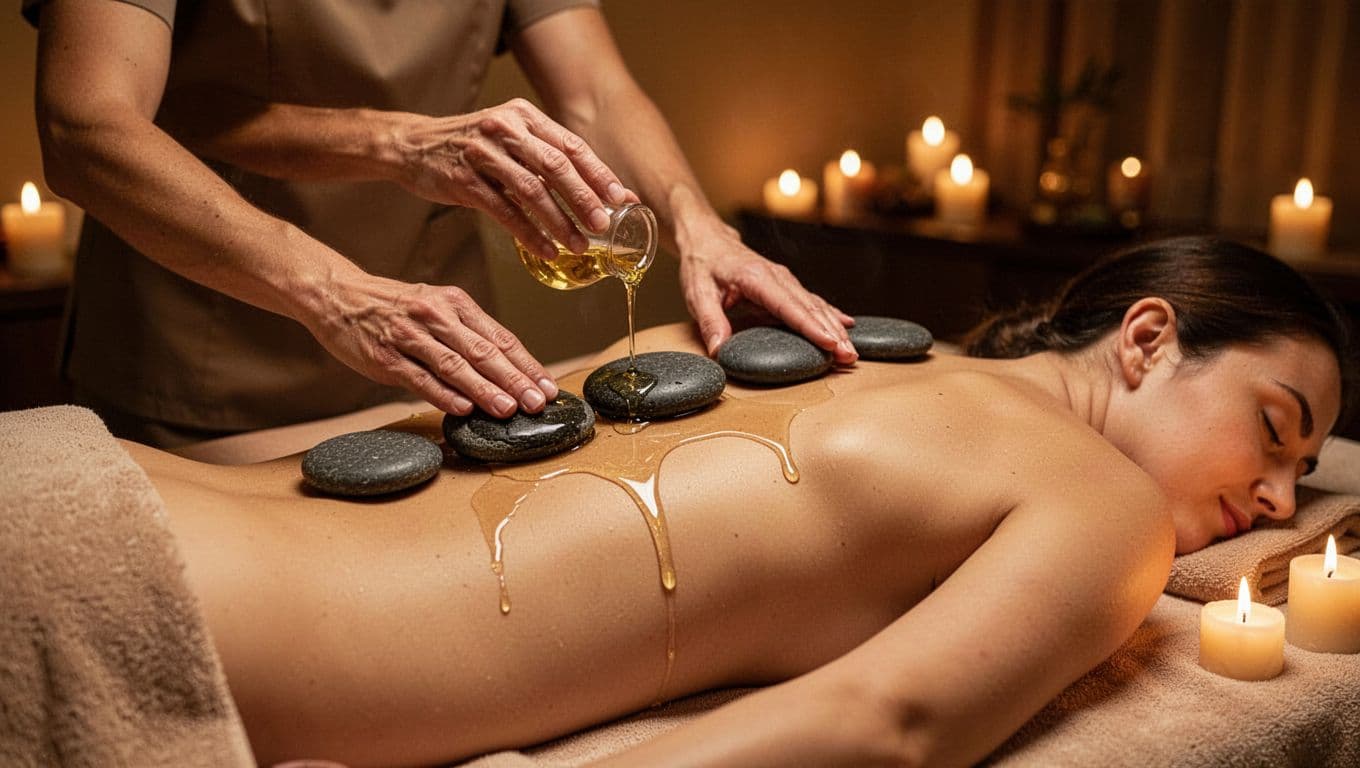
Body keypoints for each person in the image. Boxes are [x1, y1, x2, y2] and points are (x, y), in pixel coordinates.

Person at [114, 237, 1351, 766]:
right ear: (1147, 337)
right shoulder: (1104, 509)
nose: (1275, 494)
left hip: (110, 482)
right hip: (164, 618)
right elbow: (885, 729)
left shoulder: (785, 335)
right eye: (1274, 428)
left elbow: (384, 442)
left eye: (1302, 478)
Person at [26, 0, 856, 447]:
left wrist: (698, 224)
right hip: (205, 366)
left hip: (442, 361)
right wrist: (341, 277)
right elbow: (84, 125)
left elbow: (595, 93)